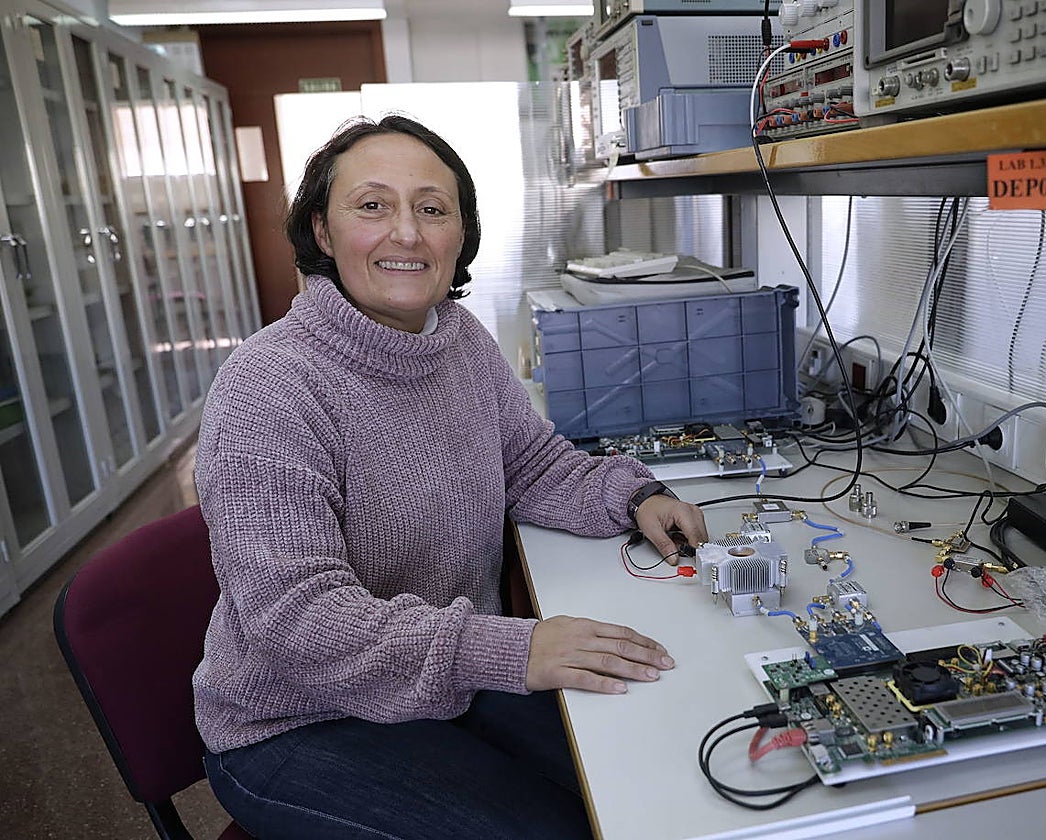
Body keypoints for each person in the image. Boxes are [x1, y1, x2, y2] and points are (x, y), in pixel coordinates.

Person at [193, 114, 708, 839]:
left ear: (459, 235)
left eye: (432, 209)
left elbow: (529, 465)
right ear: (321, 230)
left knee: (651, 772)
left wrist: (634, 495)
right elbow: (298, 622)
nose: (406, 232)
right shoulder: (269, 384)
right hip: (301, 719)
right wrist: (517, 648)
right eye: (372, 206)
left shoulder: (458, 341)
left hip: (443, 673)